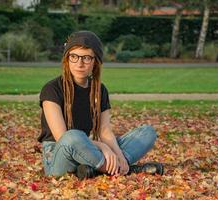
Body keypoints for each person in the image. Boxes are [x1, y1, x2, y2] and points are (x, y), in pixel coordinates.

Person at [38, 31, 164, 180]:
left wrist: (117, 154)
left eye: (86, 58)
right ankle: (124, 169)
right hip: (59, 155)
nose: (79, 63)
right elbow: (61, 137)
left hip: (87, 149)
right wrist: (103, 147)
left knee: (147, 132)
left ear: (95, 62)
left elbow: (104, 131)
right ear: (67, 59)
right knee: (73, 136)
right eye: (74, 57)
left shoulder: (99, 90)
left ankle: (93, 169)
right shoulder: (51, 89)